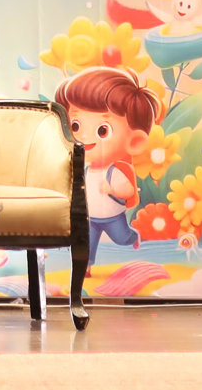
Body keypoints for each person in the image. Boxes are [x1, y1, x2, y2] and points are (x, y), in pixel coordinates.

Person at [55, 66, 160, 265]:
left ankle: (133, 237)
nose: (83, 136)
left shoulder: (115, 171)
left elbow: (128, 190)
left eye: (102, 130)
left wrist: (112, 189)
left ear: (134, 142)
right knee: (87, 244)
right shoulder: (85, 171)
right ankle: (86, 267)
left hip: (113, 217)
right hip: (90, 218)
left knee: (121, 238)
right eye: (75, 125)